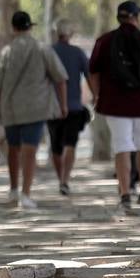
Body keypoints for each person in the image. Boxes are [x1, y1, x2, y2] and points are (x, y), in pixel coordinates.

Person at [88, 0, 140, 209]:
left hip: (114, 104)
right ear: (137, 17)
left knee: (121, 146)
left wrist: (97, 95)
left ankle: (125, 193)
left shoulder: (104, 41)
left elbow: (93, 72)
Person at [0, 10, 68, 209]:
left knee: (13, 149)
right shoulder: (43, 49)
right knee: (29, 150)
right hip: (36, 108)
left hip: (10, 108)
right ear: (30, 27)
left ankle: (13, 189)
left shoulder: (5, 53)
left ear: (13, 28)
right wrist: (63, 104)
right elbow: (60, 79)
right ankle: (25, 194)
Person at [47, 18, 91, 196]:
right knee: (70, 144)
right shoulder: (78, 53)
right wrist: (96, 95)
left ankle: (61, 180)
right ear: (70, 34)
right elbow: (89, 75)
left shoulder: (48, 52)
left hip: (51, 108)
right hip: (74, 107)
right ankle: (65, 180)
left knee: (55, 146)